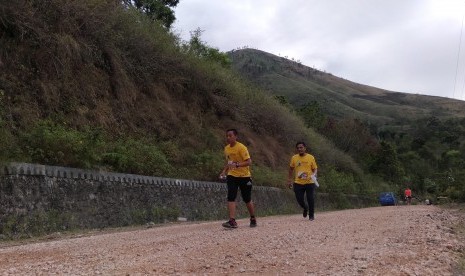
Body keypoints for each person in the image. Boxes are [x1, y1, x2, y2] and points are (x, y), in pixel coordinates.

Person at [219, 129, 257, 228]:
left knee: (247, 199)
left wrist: (238, 165)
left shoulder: (241, 147)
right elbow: (229, 162)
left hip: (245, 177)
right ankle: (232, 221)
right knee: (231, 196)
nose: (228, 138)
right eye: (227, 136)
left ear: (236, 136)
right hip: (232, 176)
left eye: (230, 136)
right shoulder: (226, 148)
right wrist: (224, 171)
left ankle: (253, 218)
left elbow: (249, 162)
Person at [287, 142, 318, 221]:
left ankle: (311, 215)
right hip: (298, 182)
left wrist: (314, 174)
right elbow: (291, 169)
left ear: (305, 148)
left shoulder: (311, 157)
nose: (299, 149)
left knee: (310, 198)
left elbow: (315, 168)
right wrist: (289, 180)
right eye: (298, 148)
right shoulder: (294, 158)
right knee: (299, 199)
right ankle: (305, 207)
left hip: (309, 182)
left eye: (301, 147)